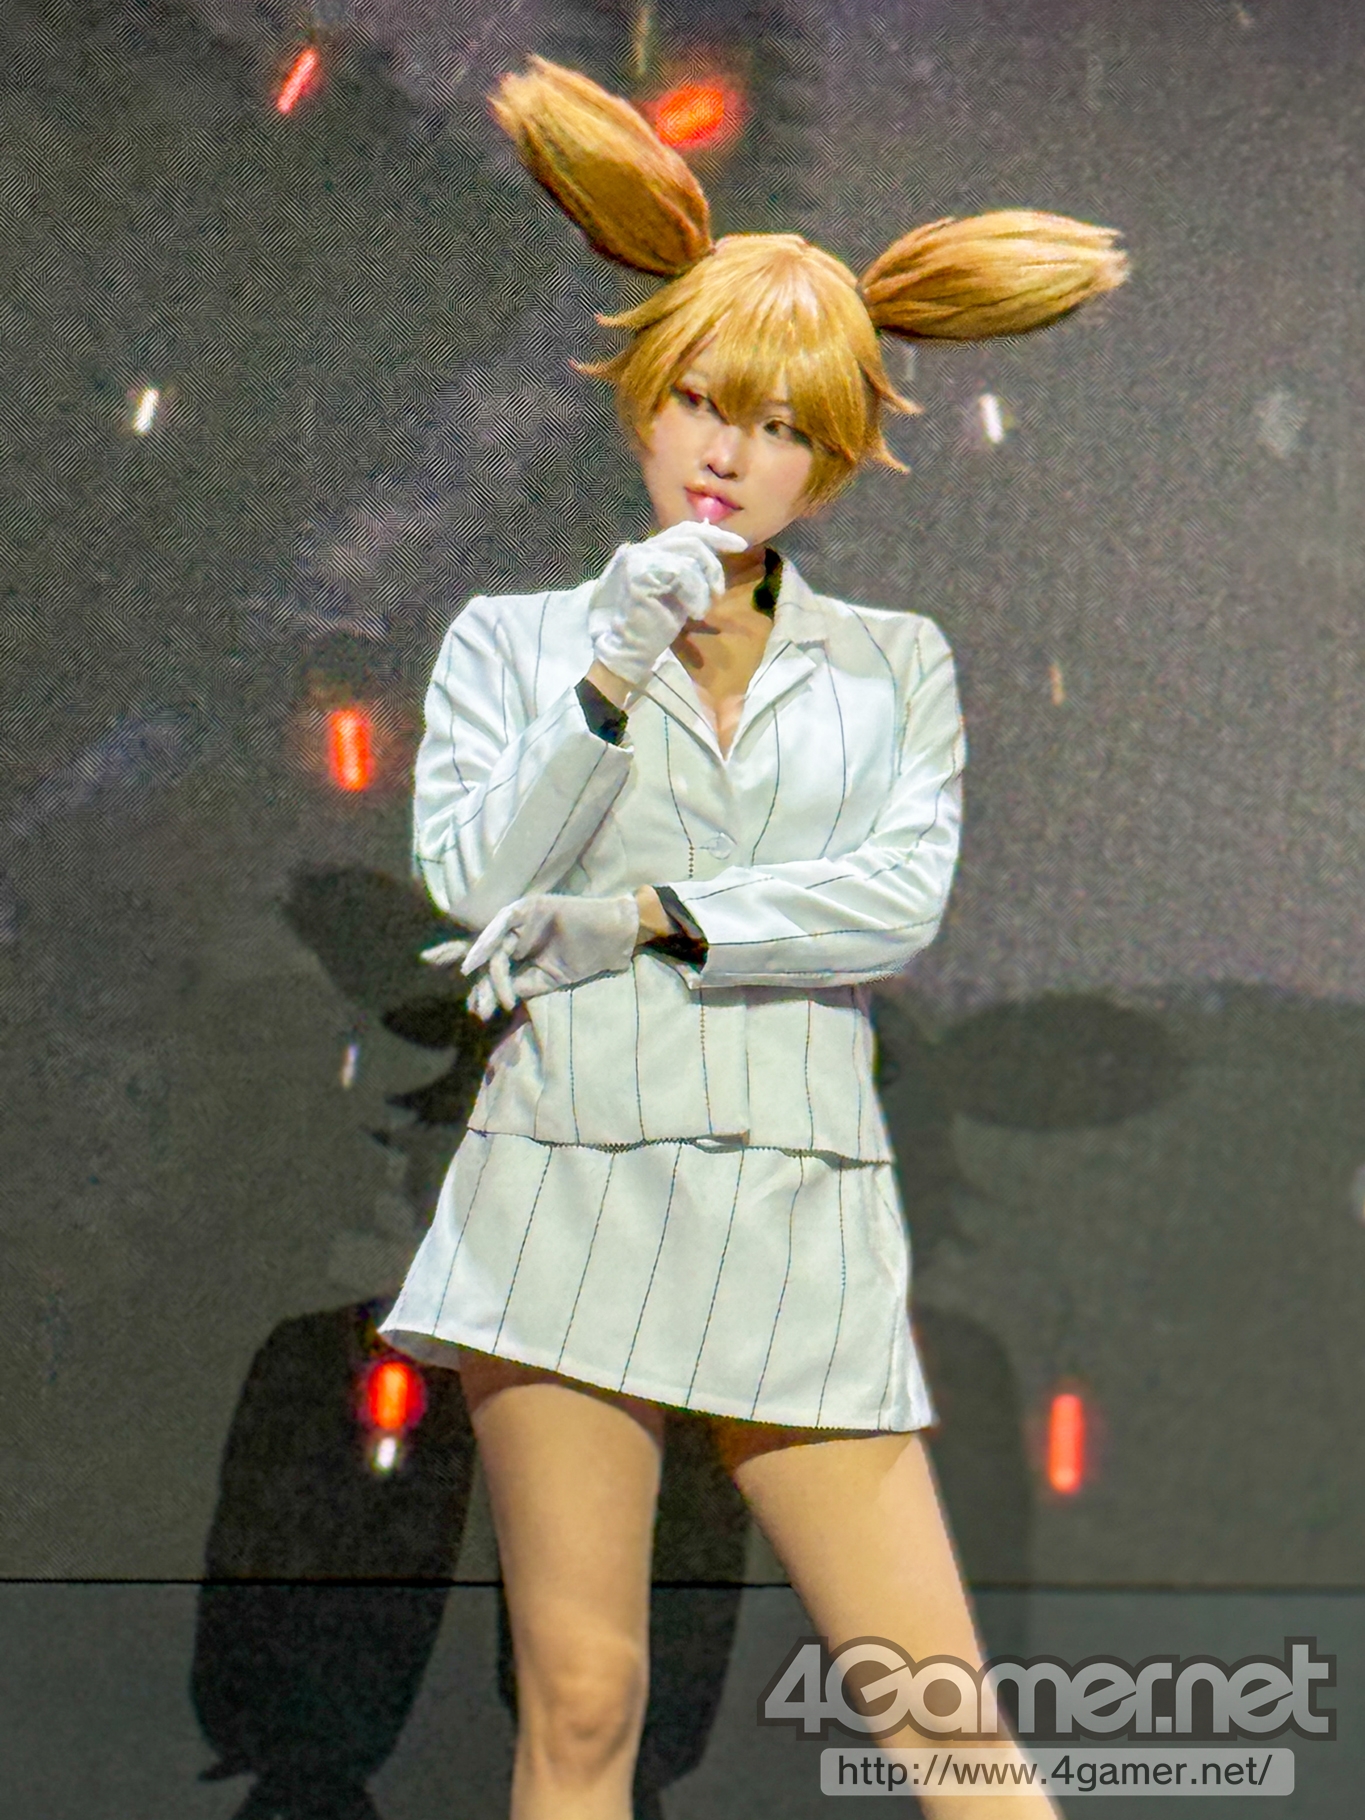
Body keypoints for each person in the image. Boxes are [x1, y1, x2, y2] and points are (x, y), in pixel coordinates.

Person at [379, 55, 1127, 1820]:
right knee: (580, 1699)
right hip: (565, 1179)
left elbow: (892, 898)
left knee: (939, 1715)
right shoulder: (512, 638)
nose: (733, 453)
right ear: (645, 402)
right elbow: (476, 879)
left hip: (795, 1194)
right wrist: (608, 673)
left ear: (834, 458)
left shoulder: (893, 663)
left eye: (785, 427)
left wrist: (649, 912)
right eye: (706, 404)